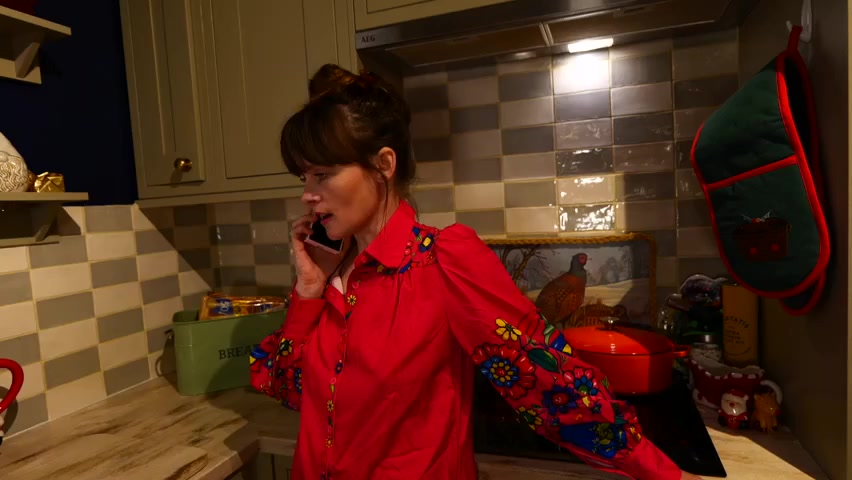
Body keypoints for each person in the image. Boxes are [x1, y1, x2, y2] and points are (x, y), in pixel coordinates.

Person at [249, 63, 701, 480]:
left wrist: (664, 474)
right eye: (303, 178)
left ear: (383, 165)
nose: (307, 194)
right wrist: (309, 288)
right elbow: (287, 387)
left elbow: (546, 380)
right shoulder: (328, 273)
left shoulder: (445, 261)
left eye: (322, 175)